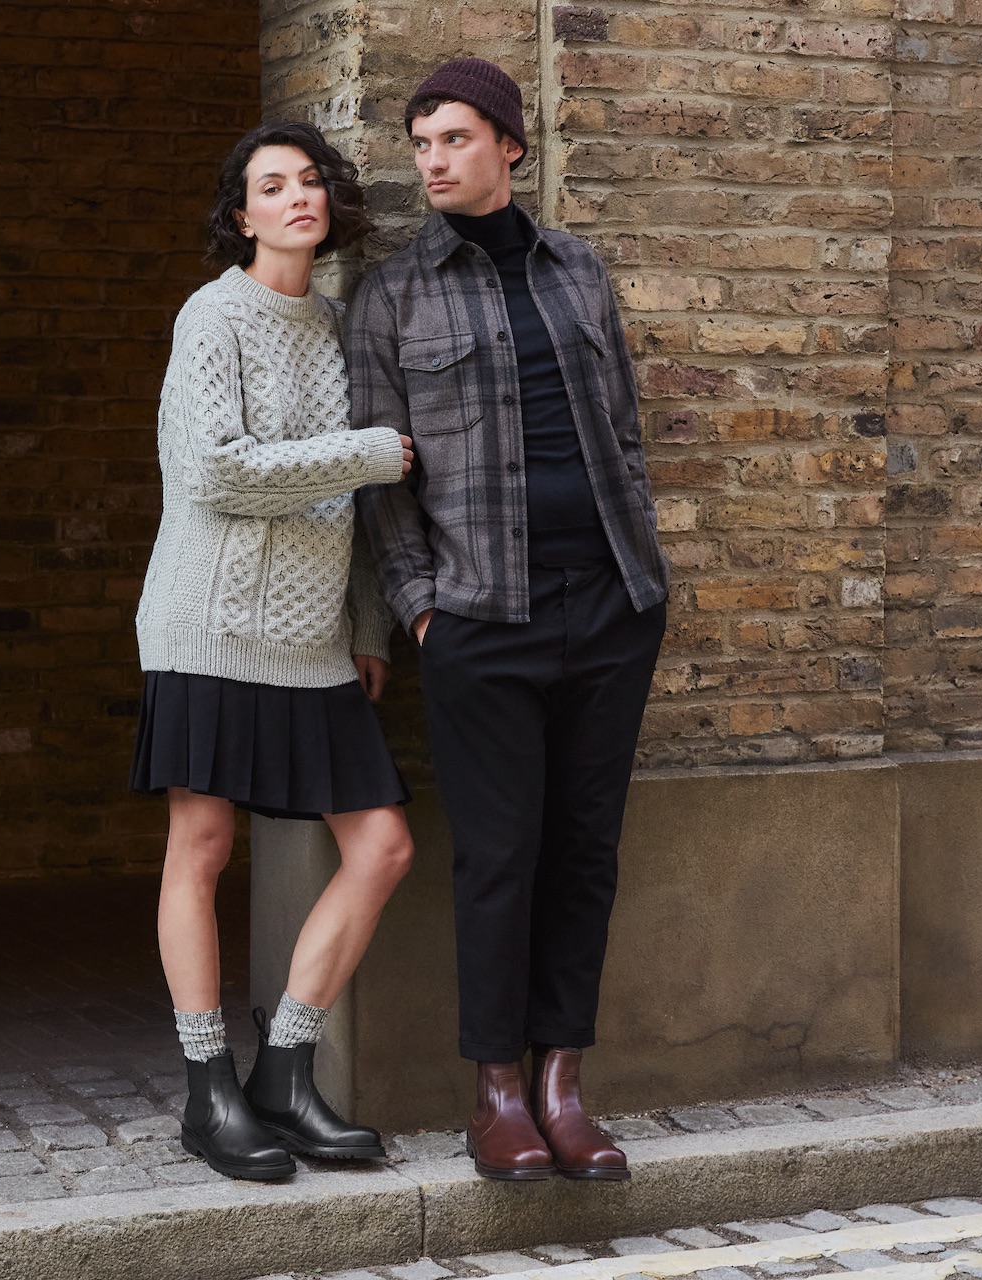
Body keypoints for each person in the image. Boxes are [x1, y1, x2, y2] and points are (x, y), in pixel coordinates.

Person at [349, 59, 671, 1183]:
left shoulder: (580, 271)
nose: (433, 161)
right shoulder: (392, 295)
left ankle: (562, 1081)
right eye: (421, 143)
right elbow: (382, 480)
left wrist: (647, 573)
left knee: (584, 850)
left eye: (453, 139)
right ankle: (494, 1091)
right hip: (480, 615)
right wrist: (420, 609)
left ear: (510, 147)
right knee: (499, 854)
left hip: (612, 604)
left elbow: (624, 429)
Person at [129, 120, 418, 1181]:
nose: (297, 197)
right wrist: (376, 451)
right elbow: (221, 473)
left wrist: (366, 627)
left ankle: (285, 1071)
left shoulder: (344, 328)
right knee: (201, 845)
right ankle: (209, 1089)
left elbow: (342, 507)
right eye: (271, 186)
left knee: (382, 844)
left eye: (310, 182)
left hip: (310, 638)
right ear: (241, 215)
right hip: (206, 621)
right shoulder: (211, 317)